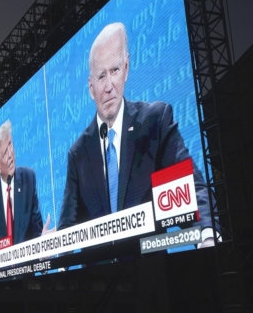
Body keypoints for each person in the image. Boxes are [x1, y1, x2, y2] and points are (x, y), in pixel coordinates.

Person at [57, 22, 214, 247]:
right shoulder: (78, 153)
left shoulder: (154, 124)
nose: (109, 85)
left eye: (115, 71)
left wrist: (206, 234)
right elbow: (68, 228)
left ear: (127, 68)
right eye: (101, 76)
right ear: (91, 88)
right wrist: (50, 251)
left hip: (150, 274)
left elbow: (189, 190)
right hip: (97, 279)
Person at [0, 120, 50, 246]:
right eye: (4, 153)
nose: (10, 154)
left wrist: (43, 242)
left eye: (10, 145)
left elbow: (37, 229)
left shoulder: (28, 179)